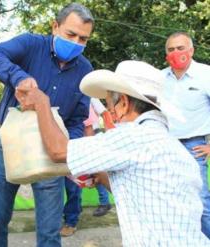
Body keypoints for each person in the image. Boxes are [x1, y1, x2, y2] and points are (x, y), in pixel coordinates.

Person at [16, 60, 210, 246]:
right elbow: (143, 195)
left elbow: (59, 151)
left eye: (110, 106)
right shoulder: (174, 147)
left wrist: (42, 103)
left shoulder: (133, 135)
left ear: (123, 103)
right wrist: (102, 177)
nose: (112, 114)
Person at [0, 3, 94, 246]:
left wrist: (69, 150)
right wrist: (18, 77)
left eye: (83, 39)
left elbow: (77, 119)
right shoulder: (31, 45)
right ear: (55, 26)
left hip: (50, 151)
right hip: (9, 145)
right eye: (70, 34)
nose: (76, 43)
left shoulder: (85, 69)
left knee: (50, 230)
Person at [162, 31, 210, 239]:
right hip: (166, 146)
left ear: (191, 50)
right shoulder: (160, 78)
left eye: (180, 48)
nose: (176, 53)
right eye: (171, 49)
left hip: (195, 146)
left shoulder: (206, 74)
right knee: (171, 202)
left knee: (201, 203)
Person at [61, 98, 112, 237]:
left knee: (76, 185)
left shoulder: (82, 98)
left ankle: (71, 221)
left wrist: (86, 154)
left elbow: (89, 127)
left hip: (78, 148)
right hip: (61, 147)